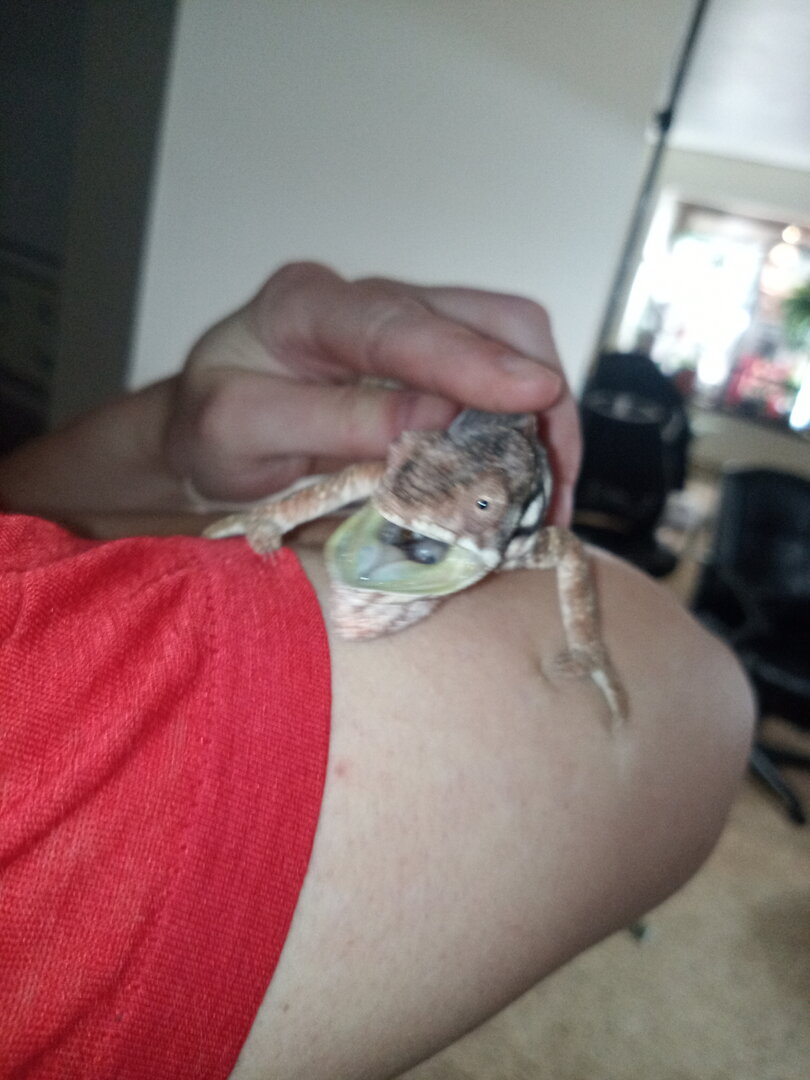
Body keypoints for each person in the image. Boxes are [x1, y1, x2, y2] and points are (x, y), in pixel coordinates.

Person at [0, 263, 753, 1080]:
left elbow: (564, 554)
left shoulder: (515, 524)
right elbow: (695, 688)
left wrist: (173, 436)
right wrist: (276, 515)